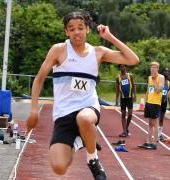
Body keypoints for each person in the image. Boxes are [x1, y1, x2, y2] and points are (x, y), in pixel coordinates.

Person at [26, 11, 139, 179]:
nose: (76, 32)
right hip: (63, 113)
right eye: (71, 29)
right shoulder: (59, 50)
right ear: (66, 32)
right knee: (59, 168)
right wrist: (34, 111)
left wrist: (110, 37)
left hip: (88, 107)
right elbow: (39, 79)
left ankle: (92, 159)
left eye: (80, 27)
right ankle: (81, 140)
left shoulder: (98, 52)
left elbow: (133, 60)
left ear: (87, 29)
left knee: (84, 119)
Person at [139, 62, 164, 150]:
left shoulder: (161, 77)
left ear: (158, 69)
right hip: (149, 102)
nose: (152, 69)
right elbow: (148, 90)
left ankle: (154, 143)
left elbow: (158, 90)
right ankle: (148, 141)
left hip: (156, 103)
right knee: (150, 124)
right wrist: (146, 102)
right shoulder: (149, 77)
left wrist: (154, 80)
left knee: (155, 123)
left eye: (154, 67)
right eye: (151, 67)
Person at [115, 64, 136, 137]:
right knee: (123, 115)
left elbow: (133, 85)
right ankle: (124, 131)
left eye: (124, 66)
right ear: (119, 68)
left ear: (126, 67)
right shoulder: (118, 78)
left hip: (130, 98)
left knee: (130, 115)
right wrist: (116, 100)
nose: (122, 68)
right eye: (121, 66)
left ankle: (126, 128)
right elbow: (117, 89)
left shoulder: (130, 76)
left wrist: (134, 95)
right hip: (123, 98)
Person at [158, 68, 170, 142]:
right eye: (165, 71)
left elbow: (168, 93)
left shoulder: (168, 83)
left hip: (164, 102)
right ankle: (155, 134)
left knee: (161, 118)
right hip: (157, 102)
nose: (166, 72)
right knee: (156, 118)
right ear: (162, 73)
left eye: (168, 71)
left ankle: (159, 134)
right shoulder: (159, 80)